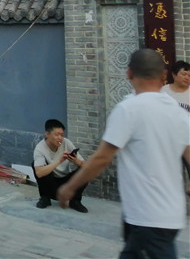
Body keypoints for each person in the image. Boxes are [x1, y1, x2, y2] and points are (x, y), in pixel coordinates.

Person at [58, 49, 190, 259]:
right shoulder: (178, 113)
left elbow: (102, 158)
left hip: (149, 216)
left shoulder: (129, 109)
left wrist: (70, 187)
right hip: (168, 214)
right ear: (164, 75)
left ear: (129, 73)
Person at [32, 118, 88, 212]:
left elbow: (86, 165)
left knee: (85, 170)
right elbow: (39, 173)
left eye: (62, 135)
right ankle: (45, 198)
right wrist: (59, 161)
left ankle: (75, 201)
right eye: (57, 134)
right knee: (36, 165)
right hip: (51, 182)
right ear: (47, 134)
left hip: (66, 181)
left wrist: (76, 161)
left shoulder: (66, 143)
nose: (60, 138)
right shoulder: (40, 148)